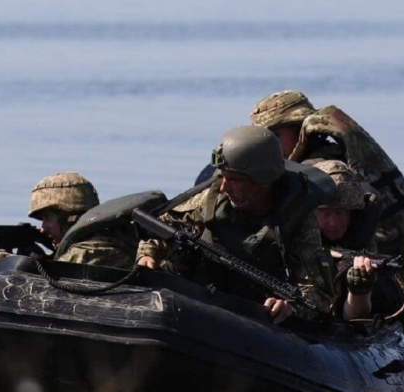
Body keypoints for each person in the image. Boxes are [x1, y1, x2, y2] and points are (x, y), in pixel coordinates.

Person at [137, 125, 335, 325]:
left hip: (257, 319)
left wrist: (290, 306)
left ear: (263, 180)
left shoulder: (297, 220)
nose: (224, 187)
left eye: (234, 180)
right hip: (199, 303)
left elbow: (318, 293)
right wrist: (147, 254)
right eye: (222, 177)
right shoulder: (210, 201)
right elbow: (162, 227)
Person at [249, 89, 404, 304]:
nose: (269, 145)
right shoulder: (331, 155)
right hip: (393, 274)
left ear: (299, 130)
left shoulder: (319, 173)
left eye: (276, 136)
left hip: (375, 282)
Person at [0, 172, 137, 269]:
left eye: (47, 218)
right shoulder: (105, 239)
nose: (42, 228)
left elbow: (45, 277)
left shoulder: (96, 248)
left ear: (68, 216)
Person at [310, 160, 404, 320]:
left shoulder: (366, 248)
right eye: (325, 213)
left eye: (340, 213)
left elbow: (357, 319)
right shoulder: (298, 242)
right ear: (312, 214)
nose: (333, 223)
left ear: (352, 213)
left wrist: (359, 289)